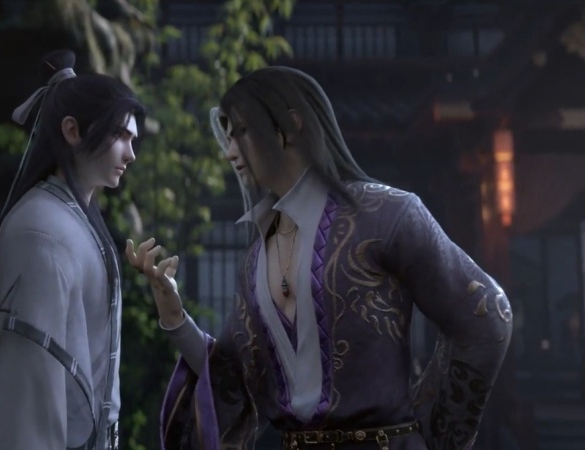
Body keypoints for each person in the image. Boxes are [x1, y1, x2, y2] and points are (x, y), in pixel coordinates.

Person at [126, 66, 513, 450]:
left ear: (291, 125)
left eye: (242, 131)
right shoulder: (257, 256)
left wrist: (434, 434)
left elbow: (486, 314)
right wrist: (175, 318)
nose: (230, 152)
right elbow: (231, 375)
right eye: (228, 137)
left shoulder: (385, 214)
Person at [0, 49, 145, 450]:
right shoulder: (41, 231)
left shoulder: (67, 221)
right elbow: (31, 403)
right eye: (121, 136)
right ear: (72, 131)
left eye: (133, 139)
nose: (131, 154)